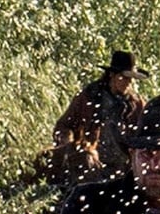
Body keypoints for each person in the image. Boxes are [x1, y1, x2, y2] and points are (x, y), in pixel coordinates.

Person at [49, 50, 146, 187]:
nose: (128, 82)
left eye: (131, 78)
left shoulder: (136, 104)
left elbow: (146, 136)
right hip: (89, 166)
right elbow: (63, 127)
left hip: (123, 169)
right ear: (112, 75)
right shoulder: (89, 97)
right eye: (124, 77)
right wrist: (74, 147)